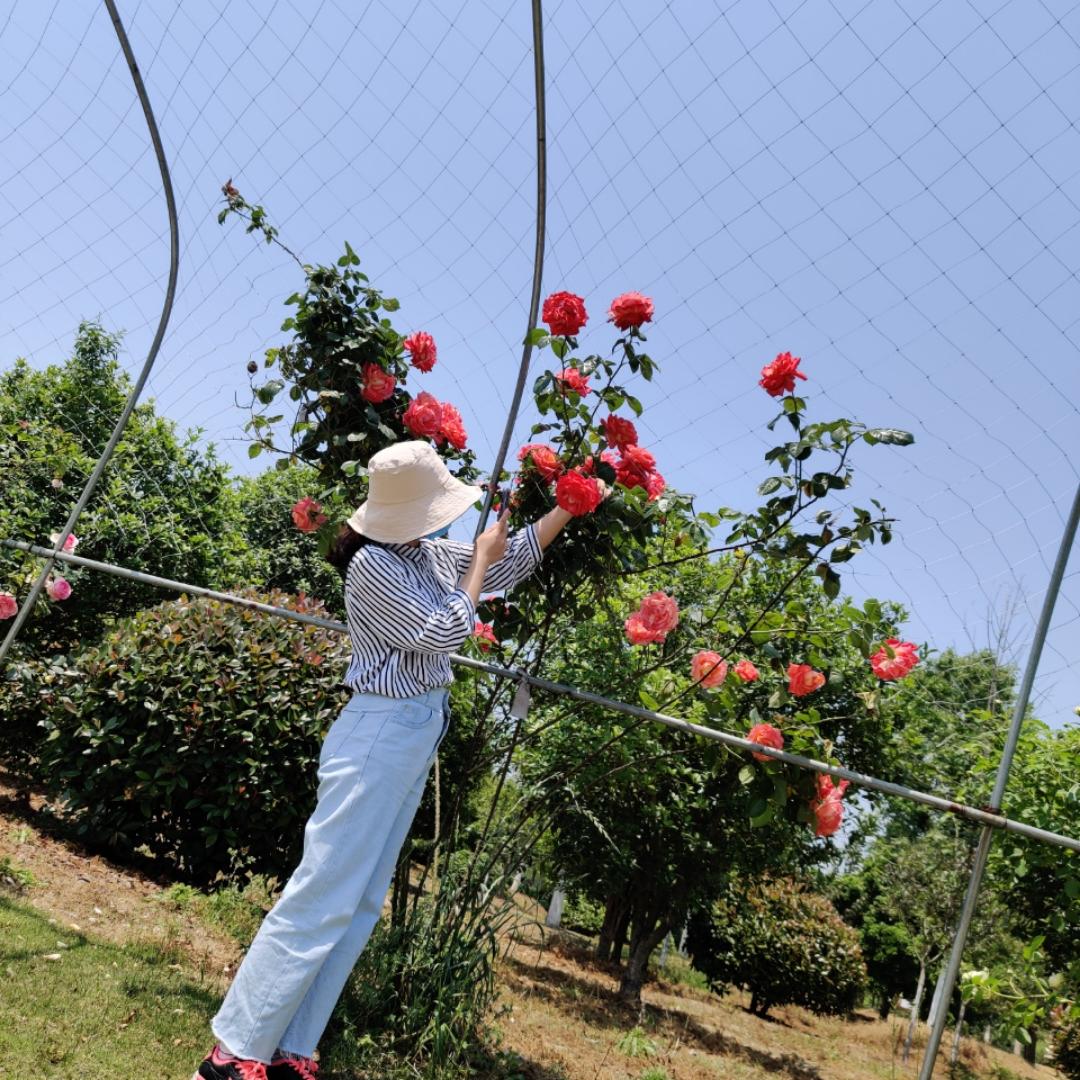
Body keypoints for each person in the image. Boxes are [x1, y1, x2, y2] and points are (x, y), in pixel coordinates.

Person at [194, 440, 578, 1080]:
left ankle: (291, 1049)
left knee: (360, 900)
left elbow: (504, 565)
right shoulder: (374, 566)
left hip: (409, 731)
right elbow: (447, 631)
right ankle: (234, 1052)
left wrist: (566, 505)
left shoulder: (418, 552)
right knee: (322, 893)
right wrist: (480, 563)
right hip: (378, 732)